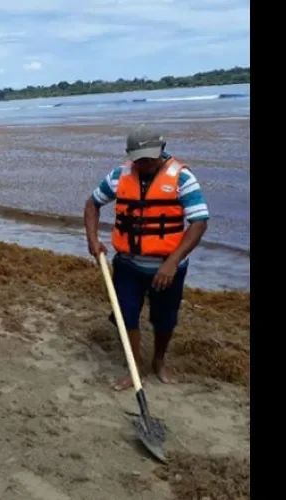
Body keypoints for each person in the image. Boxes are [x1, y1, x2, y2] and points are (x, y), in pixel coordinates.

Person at [83, 126, 209, 391]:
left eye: (149, 158)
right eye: (139, 158)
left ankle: (159, 361)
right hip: (128, 264)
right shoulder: (119, 176)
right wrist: (93, 240)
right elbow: (92, 204)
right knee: (126, 314)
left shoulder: (183, 178)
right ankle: (135, 368)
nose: (144, 163)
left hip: (167, 267)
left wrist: (172, 262)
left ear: (161, 151)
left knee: (165, 319)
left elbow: (199, 222)